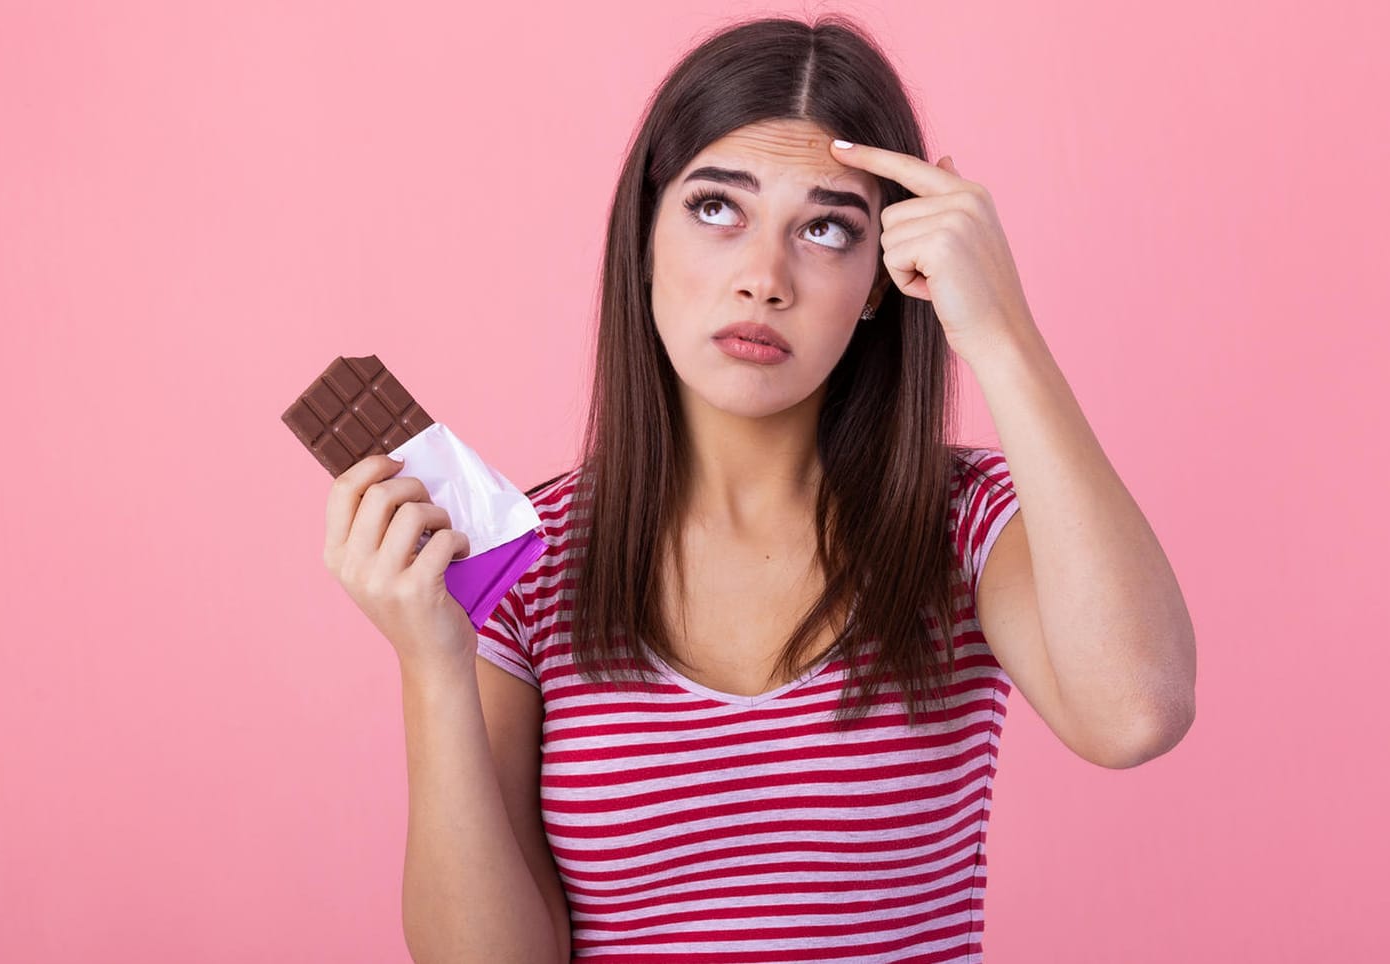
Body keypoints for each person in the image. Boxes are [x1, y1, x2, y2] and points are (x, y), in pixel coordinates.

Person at [322, 14, 1195, 964]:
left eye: (824, 229)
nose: (763, 280)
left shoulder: (964, 523)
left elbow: (1135, 715)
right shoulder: (523, 567)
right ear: (645, 233)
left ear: (878, 279)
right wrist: (432, 663)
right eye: (715, 208)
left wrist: (998, 329)